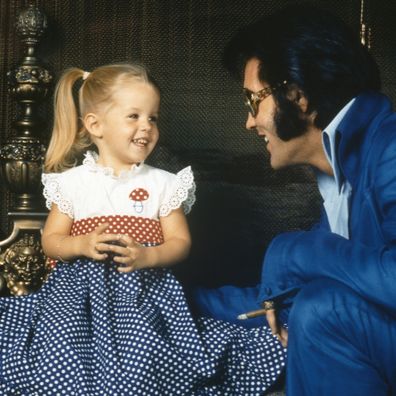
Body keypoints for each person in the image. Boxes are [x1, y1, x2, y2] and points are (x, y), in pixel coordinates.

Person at [0, 63, 286, 395]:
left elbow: (180, 242)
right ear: (95, 124)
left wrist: (148, 256)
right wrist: (80, 245)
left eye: (153, 118)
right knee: (57, 352)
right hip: (79, 299)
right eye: (133, 116)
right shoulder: (72, 183)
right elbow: (51, 241)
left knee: (146, 359)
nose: (146, 127)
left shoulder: (163, 183)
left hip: (143, 295)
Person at [217, 4, 396, 396]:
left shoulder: (391, 146)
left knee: (320, 308)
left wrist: (295, 250)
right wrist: (165, 298)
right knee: (313, 301)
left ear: (296, 97)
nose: (249, 122)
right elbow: (276, 299)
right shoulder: (339, 173)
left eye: (253, 101)